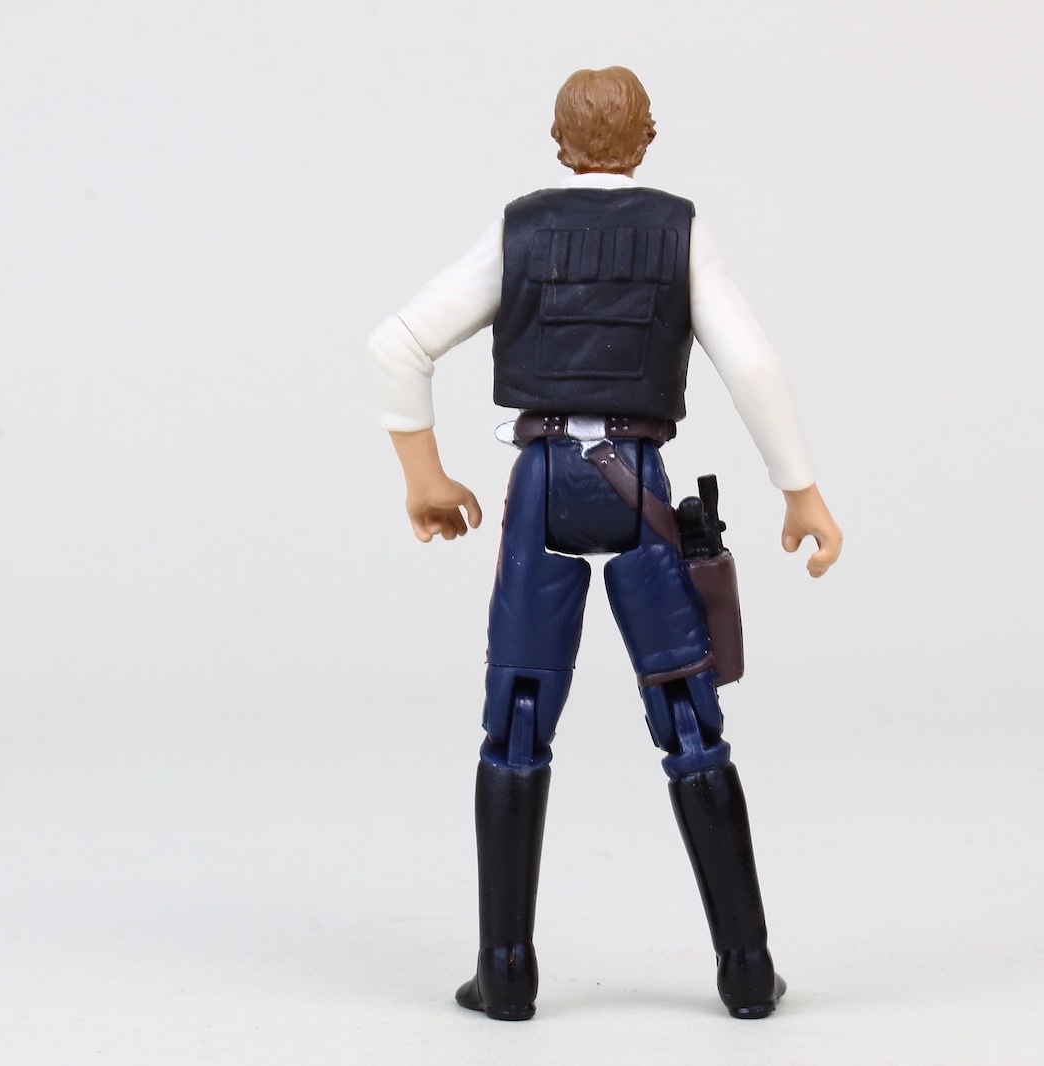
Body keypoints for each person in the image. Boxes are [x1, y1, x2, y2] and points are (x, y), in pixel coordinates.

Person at [369, 66, 842, 1020]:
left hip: (544, 481)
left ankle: (506, 971)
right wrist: (801, 491)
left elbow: (398, 343)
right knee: (690, 719)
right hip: (637, 481)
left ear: (558, 139)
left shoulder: (522, 229)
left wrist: (425, 476)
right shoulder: (679, 229)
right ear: (647, 137)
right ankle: (747, 968)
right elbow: (753, 364)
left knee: (517, 721)